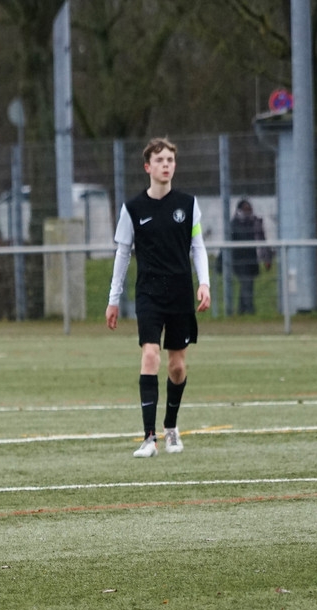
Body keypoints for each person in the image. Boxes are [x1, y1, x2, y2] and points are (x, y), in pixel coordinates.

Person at [106, 137, 211, 458]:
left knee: (177, 366)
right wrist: (113, 298)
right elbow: (122, 254)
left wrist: (204, 283)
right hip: (149, 294)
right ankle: (149, 438)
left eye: (170, 160)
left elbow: (198, 247)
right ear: (147, 167)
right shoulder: (133, 209)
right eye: (160, 160)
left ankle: (171, 427)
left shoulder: (188, 205)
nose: (166, 165)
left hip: (180, 294)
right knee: (150, 355)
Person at [229, 199, 271, 314]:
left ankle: (242, 310)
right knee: (246, 284)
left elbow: (262, 241)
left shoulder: (255, 223)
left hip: (252, 260)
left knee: (247, 284)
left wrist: (267, 258)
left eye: (249, 209)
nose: (248, 211)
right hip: (239, 260)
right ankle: (249, 309)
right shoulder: (235, 224)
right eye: (245, 209)